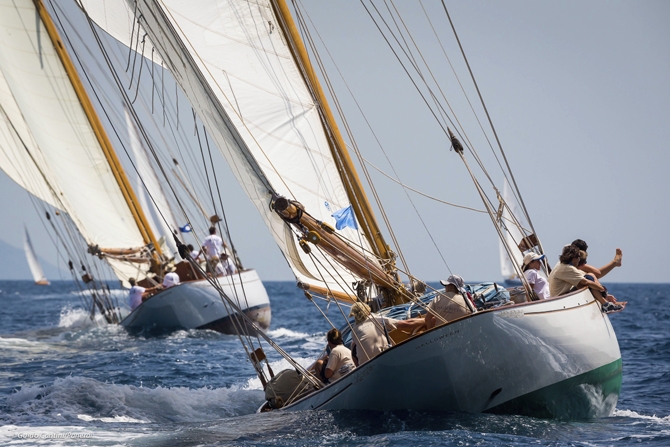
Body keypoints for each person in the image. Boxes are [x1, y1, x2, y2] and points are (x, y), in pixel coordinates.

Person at [548, 244, 622, 312]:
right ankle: (605, 304)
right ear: (574, 258)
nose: (579, 259)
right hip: (560, 299)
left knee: (589, 277)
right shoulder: (568, 268)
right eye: (578, 257)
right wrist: (603, 290)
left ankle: (605, 303)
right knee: (589, 279)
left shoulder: (561, 264)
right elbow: (588, 280)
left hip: (558, 297)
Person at [349, 302, 422, 366]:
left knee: (353, 345)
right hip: (385, 358)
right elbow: (406, 324)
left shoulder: (354, 330)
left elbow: (354, 350)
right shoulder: (376, 319)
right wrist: (426, 320)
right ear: (368, 311)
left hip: (365, 366)